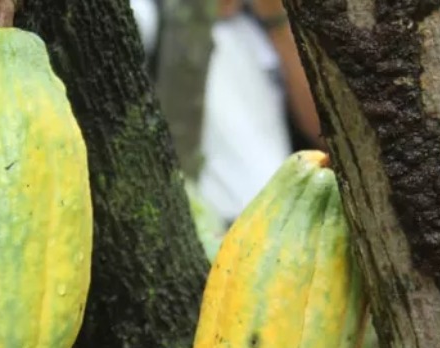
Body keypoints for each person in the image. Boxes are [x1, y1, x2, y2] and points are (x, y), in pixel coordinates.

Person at [132, 0, 321, 226]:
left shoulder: (258, 25)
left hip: (283, 226)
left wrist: (277, 21)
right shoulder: (149, 13)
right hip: (207, 230)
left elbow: (324, 131)